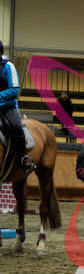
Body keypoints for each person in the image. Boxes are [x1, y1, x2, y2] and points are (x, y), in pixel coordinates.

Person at [0, 40, 36, 174]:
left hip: (7, 107)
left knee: (16, 126)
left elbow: (14, 89)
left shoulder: (8, 66)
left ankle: (23, 157)